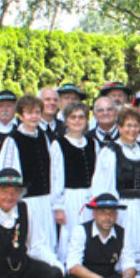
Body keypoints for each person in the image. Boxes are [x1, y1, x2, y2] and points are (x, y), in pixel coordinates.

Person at [92, 107, 140, 278]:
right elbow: (103, 185)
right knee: (128, 242)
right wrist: (108, 210)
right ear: (120, 128)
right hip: (124, 206)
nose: (132, 130)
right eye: (128, 126)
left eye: (136, 126)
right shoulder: (110, 151)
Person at [0, 95, 59, 265]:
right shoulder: (13, 140)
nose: (34, 116)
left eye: (37, 112)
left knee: (47, 241)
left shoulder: (44, 137)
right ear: (21, 116)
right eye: (29, 113)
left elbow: (52, 170)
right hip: (27, 202)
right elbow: (7, 174)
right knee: (29, 242)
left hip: (45, 200)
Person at [50, 102, 95, 265]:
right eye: (73, 117)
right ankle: (70, 269)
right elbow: (56, 177)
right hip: (69, 198)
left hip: (89, 198)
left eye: (81, 117)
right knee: (71, 236)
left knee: (89, 233)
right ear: (66, 121)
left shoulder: (92, 143)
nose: (77, 121)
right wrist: (58, 206)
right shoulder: (59, 144)